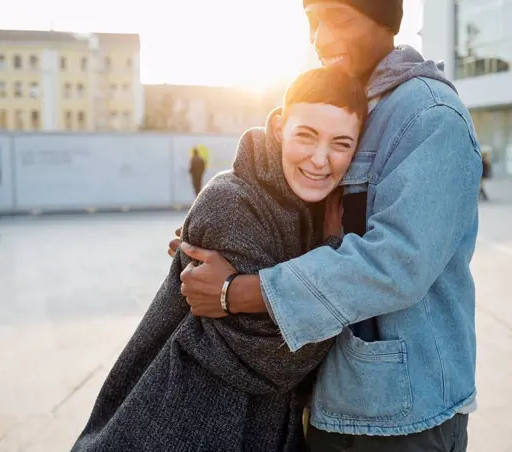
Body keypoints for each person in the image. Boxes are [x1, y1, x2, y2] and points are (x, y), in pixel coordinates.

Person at [171, 1, 481, 450]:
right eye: (312, 23)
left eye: (335, 19)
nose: (319, 39)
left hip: (401, 417)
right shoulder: (347, 101)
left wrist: (237, 292)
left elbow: (397, 262)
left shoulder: (429, 116)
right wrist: (223, 235)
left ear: (383, 20)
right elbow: (292, 202)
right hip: (324, 398)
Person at [71, 67, 368, 452]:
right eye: (306, 136)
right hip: (176, 429)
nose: (320, 159)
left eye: (341, 144)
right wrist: (332, 247)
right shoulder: (232, 203)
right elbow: (278, 358)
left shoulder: (301, 207)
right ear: (279, 128)